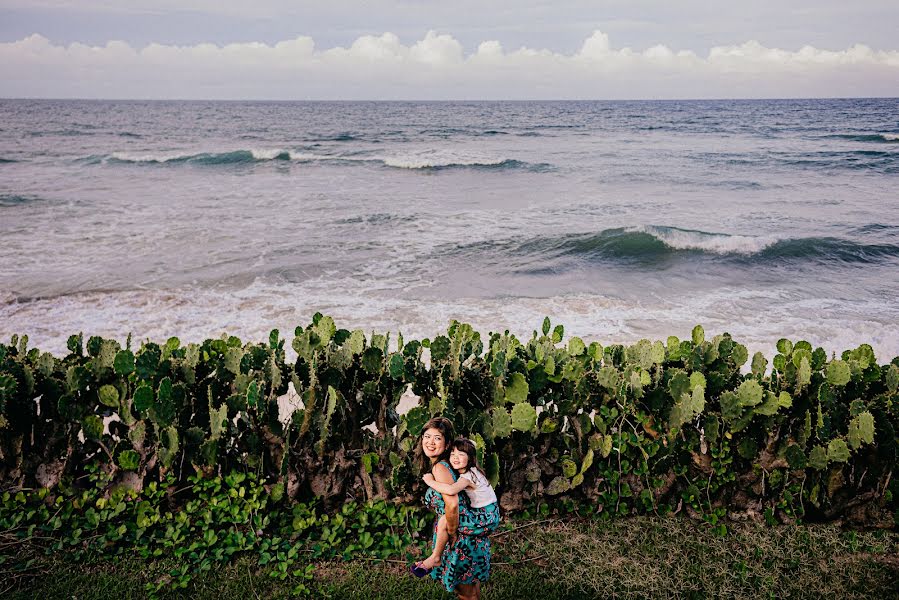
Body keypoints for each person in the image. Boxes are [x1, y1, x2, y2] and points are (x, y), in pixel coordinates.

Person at [415, 417, 493, 600]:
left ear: (448, 442)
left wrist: (452, 532)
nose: (430, 442)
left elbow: (452, 504)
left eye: (437, 438)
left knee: (465, 593)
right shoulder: (452, 463)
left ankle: (434, 558)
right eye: (427, 436)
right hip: (468, 530)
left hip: (459, 532)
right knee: (471, 588)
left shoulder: (440, 468)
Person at [419, 438, 500, 572]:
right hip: (491, 514)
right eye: (452, 454)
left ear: (471, 458)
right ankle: (436, 557)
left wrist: (430, 481)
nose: (456, 458)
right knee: (446, 517)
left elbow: (451, 490)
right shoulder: (474, 470)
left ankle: (436, 557)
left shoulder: (467, 477)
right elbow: (472, 444)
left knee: (445, 519)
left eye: (461, 454)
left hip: (484, 519)